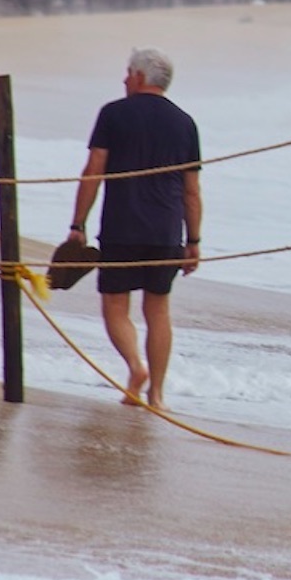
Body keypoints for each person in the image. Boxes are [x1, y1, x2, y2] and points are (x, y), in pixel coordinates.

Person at [66, 47, 202, 410]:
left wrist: (77, 224)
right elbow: (191, 190)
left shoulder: (113, 113)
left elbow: (93, 169)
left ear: (140, 77)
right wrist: (194, 241)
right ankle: (157, 395)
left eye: (128, 73)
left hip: (121, 228)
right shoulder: (185, 122)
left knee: (115, 305)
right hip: (166, 231)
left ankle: (135, 368)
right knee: (158, 310)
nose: (124, 79)